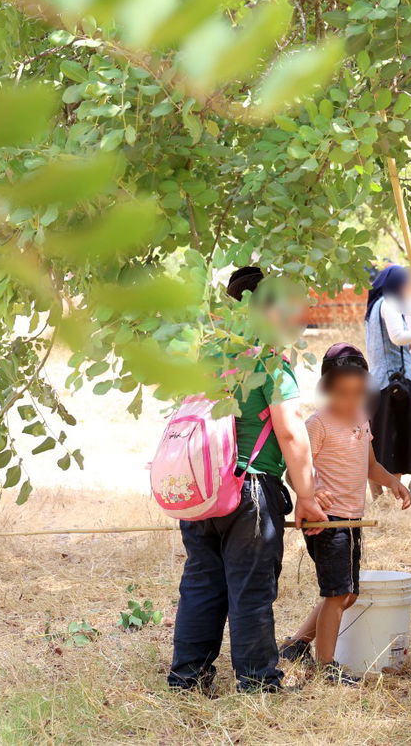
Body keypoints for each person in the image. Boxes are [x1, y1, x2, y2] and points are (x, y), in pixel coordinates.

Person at [167, 266, 326, 694]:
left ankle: (188, 677)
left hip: (201, 488)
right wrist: (307, 495)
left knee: (202, 583)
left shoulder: (206, 355)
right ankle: (257, 682)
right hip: (248, 490)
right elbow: (290, 432)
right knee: (251, 589)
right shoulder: (269, 360)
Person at [277, 344, 411, 683]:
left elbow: (370, 465)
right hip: (326, 521)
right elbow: (293, 471)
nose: (350, 400)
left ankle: (296, 645)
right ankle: (326, 667)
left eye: (357, 392)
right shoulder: (317, 424)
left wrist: (393, 483)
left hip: (353, 520)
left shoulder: (361, 418)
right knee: (337, 594)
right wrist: (310, 491)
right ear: (326, 387)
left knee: (348, 594)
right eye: (342, 393)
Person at [364, 265, 411, 492]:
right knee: (394, 443)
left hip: (377, 382)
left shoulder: (374, 307)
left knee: (378, 442)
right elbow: (398, 337)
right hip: (394, 384)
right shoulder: (389, 303)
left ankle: (379, 499)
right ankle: (392, 496)